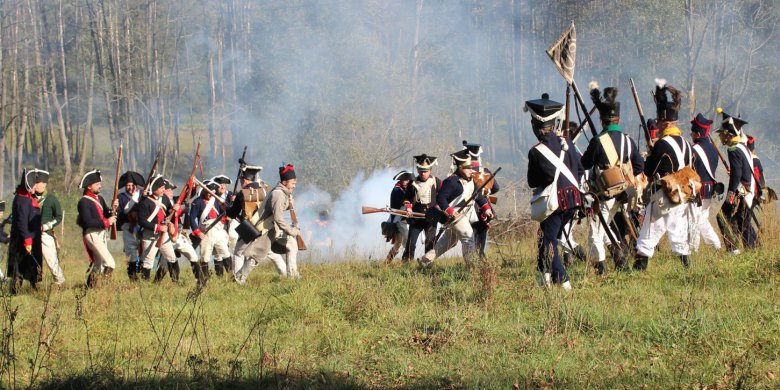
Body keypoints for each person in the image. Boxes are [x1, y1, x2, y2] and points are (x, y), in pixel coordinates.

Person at [581, 82, 644, 273]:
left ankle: (601, 268)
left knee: (595, 233)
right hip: (624, 193)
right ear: (618, 119)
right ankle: (621, 262)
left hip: (605, 192)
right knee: (606, 228)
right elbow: (639, 166)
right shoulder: (628, 140)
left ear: (602, 120)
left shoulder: (598, 141)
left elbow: (585, 163)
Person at [634, 81, 696, 270]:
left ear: (666, 122)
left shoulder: (662, 144)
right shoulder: (686, 143)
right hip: (682, 195)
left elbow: (649, 171)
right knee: (679, 236)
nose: (658, 124)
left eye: (660, 122)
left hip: (664, 195)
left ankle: (638, 270)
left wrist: (651, 153)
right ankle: (687, 269)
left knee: (647, 234)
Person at [525, 94, 583, 289]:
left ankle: (564, 284)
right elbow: (580, 170)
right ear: (553, 123)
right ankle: (543, 279)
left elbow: (532, 181)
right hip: (573, 201)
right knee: (545, 239)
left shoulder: (536, 151)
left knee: (549, 244)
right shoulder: (568, 142)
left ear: (535, 125)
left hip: (555, 204)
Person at [418, 150, 493, 268]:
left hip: (465, 214)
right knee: (468, 236)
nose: (471, 170)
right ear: (460, 167)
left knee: (449, 242)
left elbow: (477, 195)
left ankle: (425, 260)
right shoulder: (452, 181)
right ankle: (473, 267)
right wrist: (450, 211)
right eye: (468, 168)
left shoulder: (470, 180)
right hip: (455, 216)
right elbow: (441, 198)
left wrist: (486, 208)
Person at [235, 164, 303, 284]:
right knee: (257, 256)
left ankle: (292, 276)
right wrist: (292, 231)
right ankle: (240, 277)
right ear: (285, 182)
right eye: (292, 183)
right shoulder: (278, 194)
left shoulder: (282, 193)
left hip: (273, 228)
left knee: (292, 245)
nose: (294, 185)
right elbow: (278, 218)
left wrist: (289, 204)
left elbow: (278, 209)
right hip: (266, 229)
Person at [715, 109, 757, 253]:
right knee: (743, 223)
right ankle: (752, 251)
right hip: (748, 190)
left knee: (722, 217)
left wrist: (730, 195)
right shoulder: (742, 146)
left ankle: (733, 250)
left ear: (728, 133)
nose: (720, 136)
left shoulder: (733, 149)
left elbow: (737, 175)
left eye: (722, 133)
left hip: (741, 191)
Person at [7, 169, 48, 293]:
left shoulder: (26, 198)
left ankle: (33, 289)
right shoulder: (22, 200)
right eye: (34, 184)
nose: (36, 186)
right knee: (19, 267)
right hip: (23, 239)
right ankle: (14, 291)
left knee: (31, 266)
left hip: (31, 237)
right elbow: (22, 223)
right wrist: (27, 241)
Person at [76, 170, 118, 288]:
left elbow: (107, 213)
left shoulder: (100, 199)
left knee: (98, 266)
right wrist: (107, 222)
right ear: (89, 186)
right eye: (97, 184)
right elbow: (88, 222)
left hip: (101, 234)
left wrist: (113, 208)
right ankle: (105, 289)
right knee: (110, 263)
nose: (100, 186)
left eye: (99, 183)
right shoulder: (83, 202)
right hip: (92, 234)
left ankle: (88, 288)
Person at [689, 113, 722, 252]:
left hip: (697, 189)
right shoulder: (714, 150)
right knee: (702, 219)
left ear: (697, 133)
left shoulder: (693, 150)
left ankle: (692, 250)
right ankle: (715, 245)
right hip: (709, 189)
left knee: (693, 220)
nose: (691, 135)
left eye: (692, 132)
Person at [136, 175, 179, 281]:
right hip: (150, 235)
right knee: (148, 262)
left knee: (172, 258)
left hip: (163, 235)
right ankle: (144, 284)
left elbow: (169, 212)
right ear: (154, 188)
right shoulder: (145, 202)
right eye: (161, 188)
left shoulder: (164, 199)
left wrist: (174, 209)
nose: (164, 190)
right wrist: (158, 227)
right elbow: (142, 221)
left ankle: (176, 282)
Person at [462, 141, 500, 259]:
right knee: (481, 232)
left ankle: (471, 258)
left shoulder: (464, 171)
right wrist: (486, 194)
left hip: (469, 206)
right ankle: (480, 255)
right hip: (484, 207)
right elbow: (496, 188)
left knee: (468, 234)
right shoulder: (486, 171)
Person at [189, 180, 231, 282]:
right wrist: (197, 232)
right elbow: (192, 218)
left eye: (212, 193)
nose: (210, 194)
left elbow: (224, 212)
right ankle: (204, 279)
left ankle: (232, 277)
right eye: (208, 192)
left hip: (218, 230)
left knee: (225, 252)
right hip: (206, 231)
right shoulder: (197, 202)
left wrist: (226, 207)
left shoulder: (216, 200)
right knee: (205, 256)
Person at [402, 154, 442, 261]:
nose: (423, 173)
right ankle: (406, 263)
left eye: (425, 171)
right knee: (411, 243)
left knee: (430, 244)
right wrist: (409, 208)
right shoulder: (412, 182)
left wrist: (437, 208)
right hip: (416, 218)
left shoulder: (436, 181)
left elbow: (442, 197)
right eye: (421, 171)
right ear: (418, 170)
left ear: (430, 170)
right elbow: (407, 198)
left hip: (431, 218)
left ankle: (427, 264)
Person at [117, 171, 144, 280]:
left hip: (141, 227)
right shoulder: (121, 197)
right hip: (128, 228)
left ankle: (143, 276)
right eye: (128, 185)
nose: (130, 187)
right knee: (131, 254)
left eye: (132, 185)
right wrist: (129, 216)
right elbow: (119, 215)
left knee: (143, 253)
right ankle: (132, 279)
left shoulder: (141, 195)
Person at [38, 184, 65, 285]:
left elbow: (58, 217)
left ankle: (59, 283)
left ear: (44, 185)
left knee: (52, 262)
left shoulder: (51, 199)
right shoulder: (30, 199)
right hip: (31, 235)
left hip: (45, 234)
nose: (37, 185)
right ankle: (32, 286)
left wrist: (47, 226)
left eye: (41, 183)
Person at [384, 171, 412, 263]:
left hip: (401, 219)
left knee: (398, 244)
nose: (406, 181)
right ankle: (407, 262)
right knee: (407, 242)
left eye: (407, 180)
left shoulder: (404, 189)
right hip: (398, 220)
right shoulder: (397, 190)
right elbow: (405, 202)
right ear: (401, 180)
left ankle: (387, 262)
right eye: (404, 180)